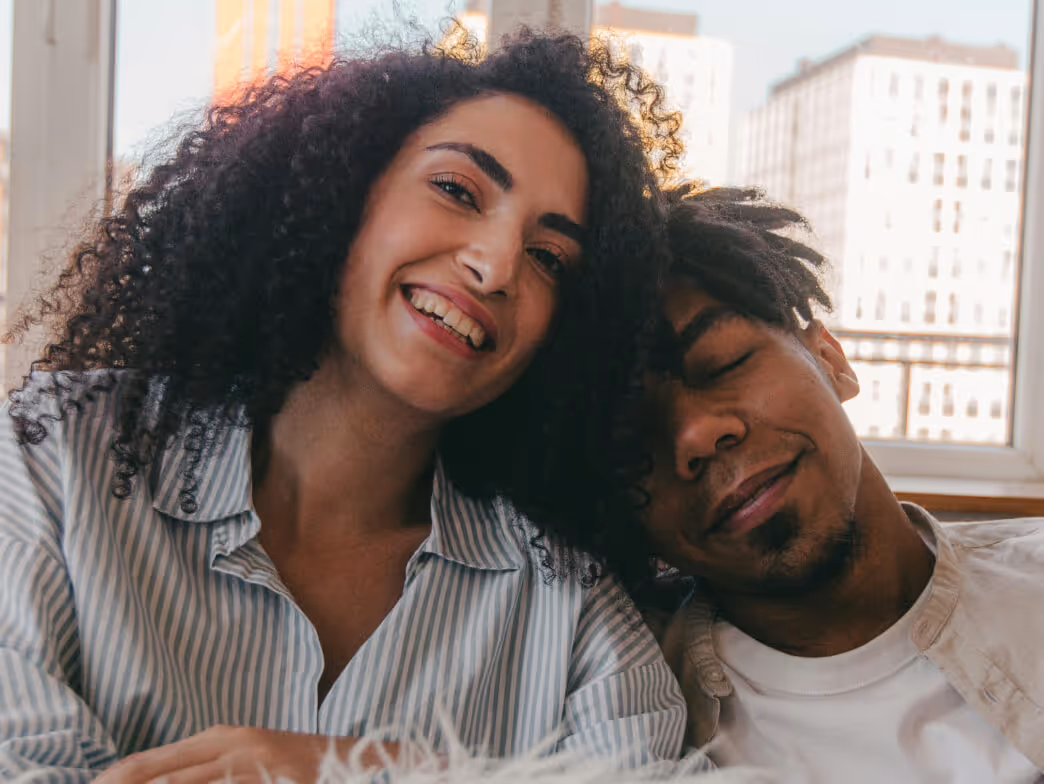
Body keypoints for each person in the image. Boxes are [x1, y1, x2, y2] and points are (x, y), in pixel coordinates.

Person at [0, 30, 697, 783]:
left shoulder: (571, 607)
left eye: (550, 258)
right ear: (342, 190)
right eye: (458, 190)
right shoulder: (54, 457)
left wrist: (353, 770)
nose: (496, 267)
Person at [638, 185, 1044, 783]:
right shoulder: (623, 714)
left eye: (724, 363)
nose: (697, 435)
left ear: (830, 359)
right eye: (632, 440)